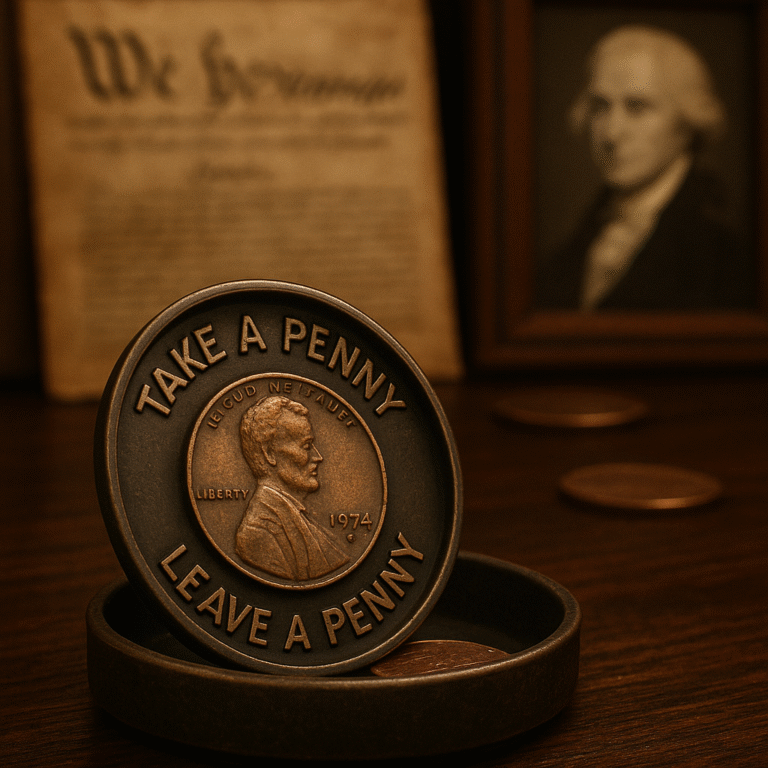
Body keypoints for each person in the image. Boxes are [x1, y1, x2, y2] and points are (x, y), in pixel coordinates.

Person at [536, 24, 755, 311]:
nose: (611, 134)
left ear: (688, 122)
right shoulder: (578, 243)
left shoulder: (725, 257)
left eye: (637, 107)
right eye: (600, 106)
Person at [236, 395, 349, 581]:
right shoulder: (258, 534)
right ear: (269, 453)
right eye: (306, 446)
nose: (318, 456)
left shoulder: (296, 517)